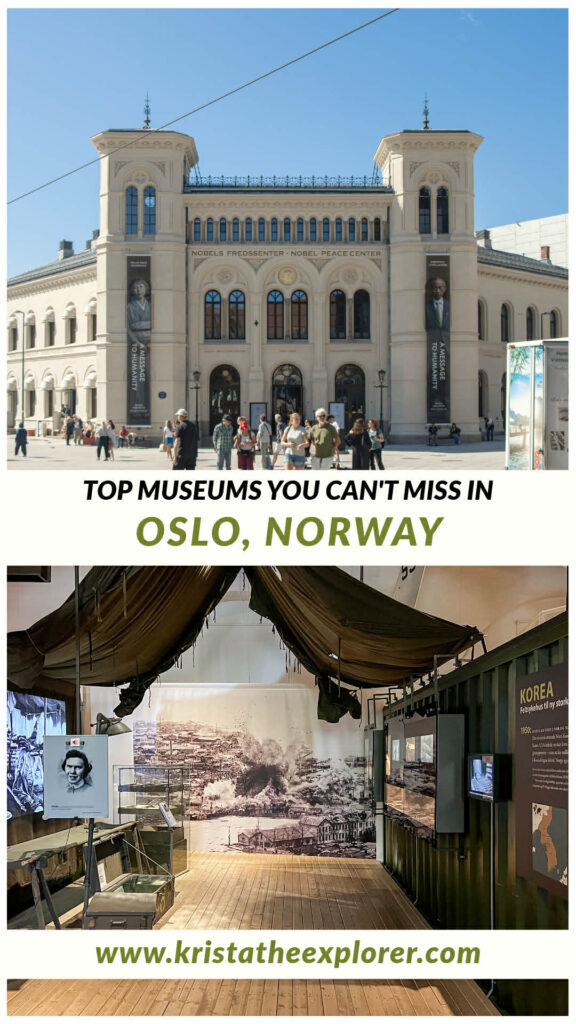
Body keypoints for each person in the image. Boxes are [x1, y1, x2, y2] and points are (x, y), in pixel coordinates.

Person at [127, 279, 151, 347]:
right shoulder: (129, 307)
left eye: (141, 287)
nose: (138, 290)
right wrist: (137, 342)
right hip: (135, 341)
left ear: (145, 288)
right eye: (135, 288)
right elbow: (127, 328)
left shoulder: (151, 306)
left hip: (150, 341)